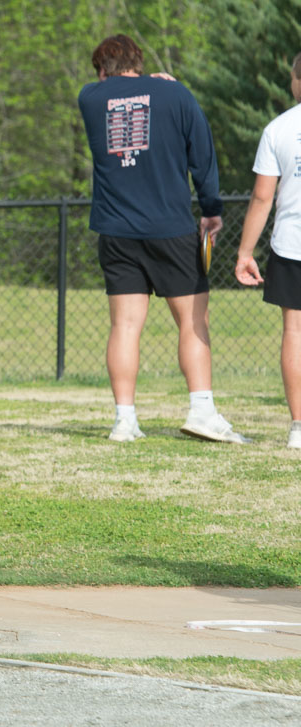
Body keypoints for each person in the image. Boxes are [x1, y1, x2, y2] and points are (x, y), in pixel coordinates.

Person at [77, 34, 248, 443]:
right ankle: (202, 410)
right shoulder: (174, 94)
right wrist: (211, 208)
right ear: (140, 61)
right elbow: (201, 153)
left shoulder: (89, 98)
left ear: (102, 70)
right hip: (171, 227)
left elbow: (114, 91)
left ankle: (124, 420)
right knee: (192, 321)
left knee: (125, 326)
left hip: (116, 231)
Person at [234, 52, 301, 450]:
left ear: (296, 80)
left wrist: (245, 252)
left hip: (293, 245)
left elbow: (262, 198)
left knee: (295, 330)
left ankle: (299, 428)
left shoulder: (279, 129)